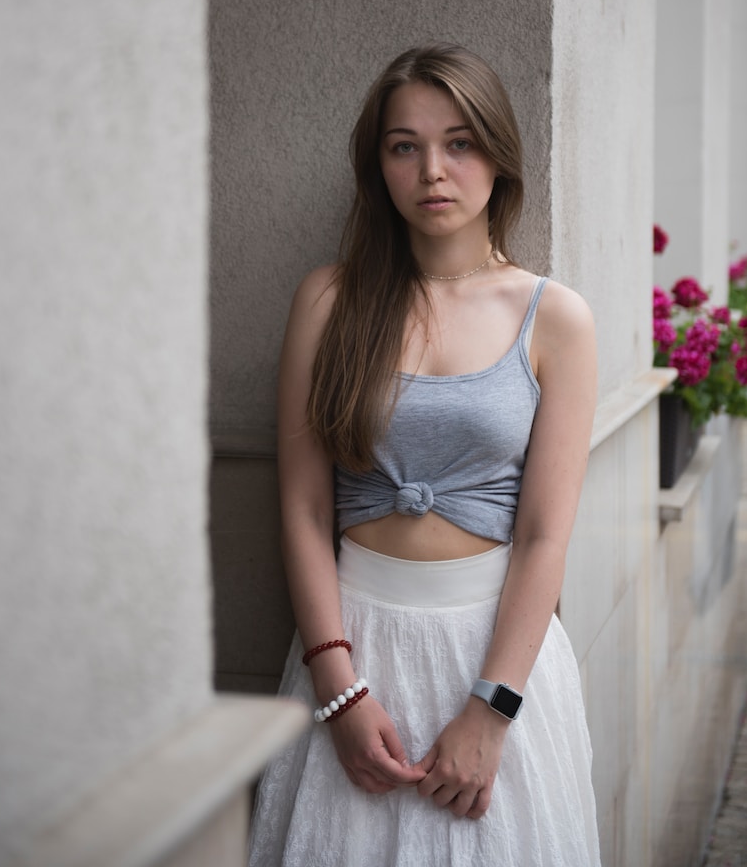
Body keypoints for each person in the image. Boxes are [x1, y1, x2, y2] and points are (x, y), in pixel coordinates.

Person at [248, 44, 601, 867]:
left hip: (497, 660)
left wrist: (489, 711)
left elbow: (545, 535)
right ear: (378, 165)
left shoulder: (555, 318)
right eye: (403, 145)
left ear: (498, 157)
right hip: (352, 645)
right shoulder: (330, 300)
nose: (432, 170)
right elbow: (302, 506)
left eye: (459, 142)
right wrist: (338, 690)